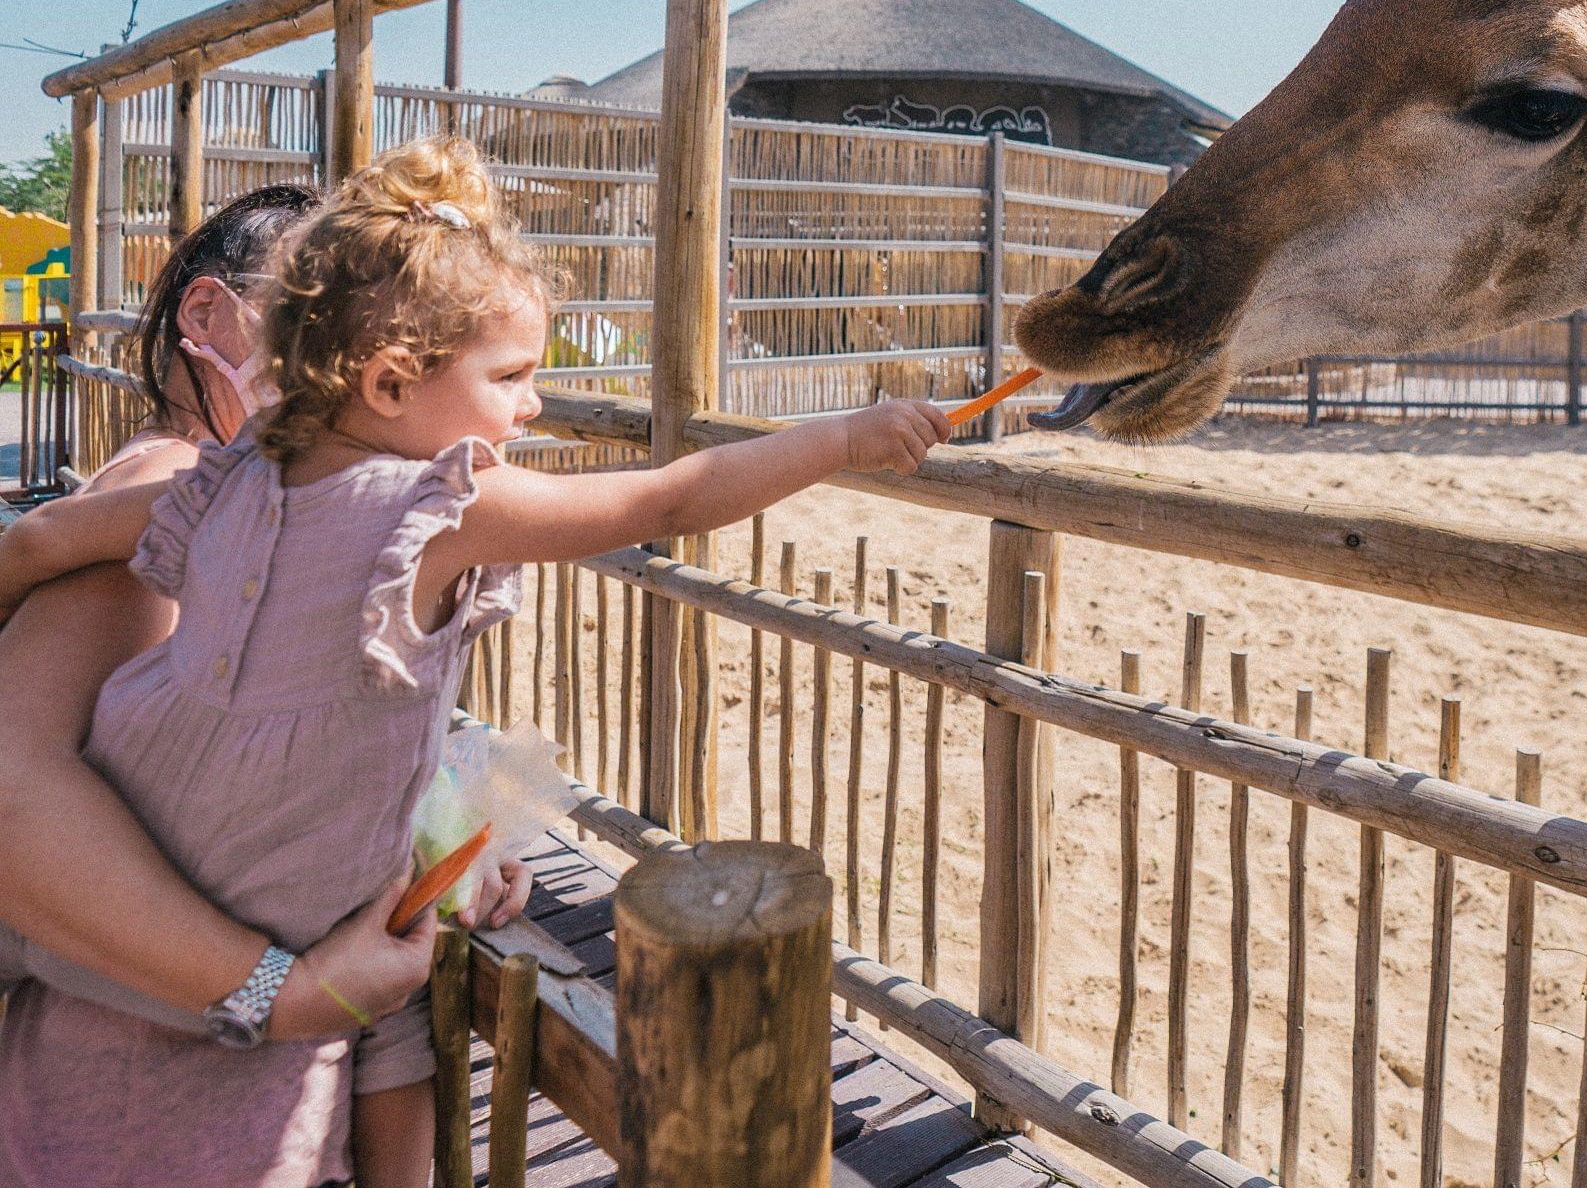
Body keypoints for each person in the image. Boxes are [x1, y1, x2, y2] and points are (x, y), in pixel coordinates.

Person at [0, 136, 951, 1185]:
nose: (533, 405)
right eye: (510, 377)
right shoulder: (431, 504)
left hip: (109, 955)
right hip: (261, 972)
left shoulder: (223, 482)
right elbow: (670, 496)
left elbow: (49, 540)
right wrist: (841, 439)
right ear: (393, 383)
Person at [0, 183, 532, 1186]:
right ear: (211, 319)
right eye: (309, 309)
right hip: (131, 1124)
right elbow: (14, 799)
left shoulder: (284, 528)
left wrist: (436, 830)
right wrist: (277, 994)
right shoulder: (166, 502)